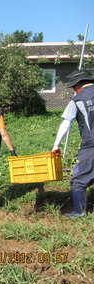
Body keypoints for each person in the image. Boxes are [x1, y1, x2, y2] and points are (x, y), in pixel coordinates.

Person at [52, 69, 94, 218]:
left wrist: (56, 146)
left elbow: (65, 124)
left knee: (77, 180)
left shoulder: (77, 100)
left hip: (90, 146)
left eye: (73, 87)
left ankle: (79, 212)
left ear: (78, 84)